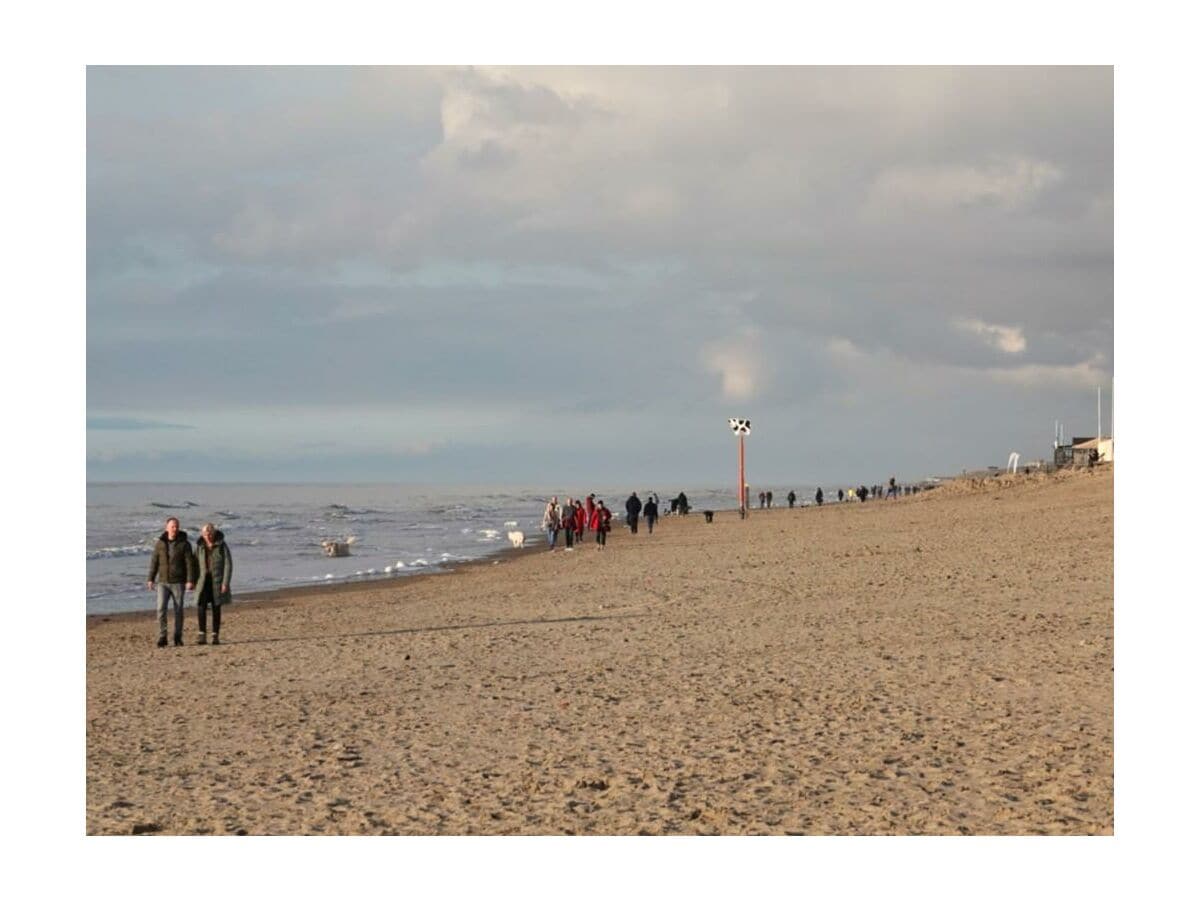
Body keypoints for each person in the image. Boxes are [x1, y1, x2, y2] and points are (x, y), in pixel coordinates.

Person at [146, 516, 196, 648]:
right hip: (163, 582)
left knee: (178, 610)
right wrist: (151, 578)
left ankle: (178, 637)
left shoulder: (184, 544)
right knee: (160, 609)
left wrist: (190, 580)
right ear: (166, 527)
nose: (175, 529)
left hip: (178, 582)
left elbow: (189, 563)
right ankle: (163, 636)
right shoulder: (160, 543)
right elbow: (154, 562)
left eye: (177, 526)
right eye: (172, 526)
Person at [193, 522, 233, 645]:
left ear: (214, 533)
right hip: (203, 580)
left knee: (216, 607)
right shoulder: (199, 546)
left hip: (217, 580)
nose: (207, 536)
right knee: (201, 606)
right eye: (205, 534)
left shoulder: (222, 545)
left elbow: (228, 564)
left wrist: (225, 582)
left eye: (209, 533)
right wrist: (192, 581)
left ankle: (215, 635)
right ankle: (202, 634)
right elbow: (194, 564)